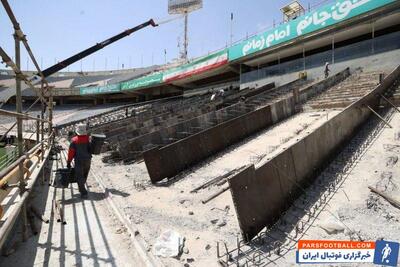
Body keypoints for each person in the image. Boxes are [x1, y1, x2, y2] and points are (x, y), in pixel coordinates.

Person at [67, 123, 92, 198]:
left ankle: (83, 192)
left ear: (76, 132)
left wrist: (68, 162)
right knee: (85, 174)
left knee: (79, 175)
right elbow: (90, 149)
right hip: (88, 160)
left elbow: (71, 153)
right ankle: (81, 187)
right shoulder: (88, 139)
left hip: (79, 161)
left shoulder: (74, 140)